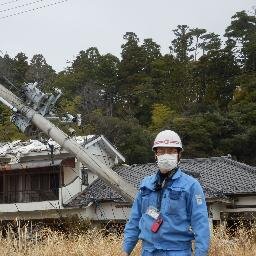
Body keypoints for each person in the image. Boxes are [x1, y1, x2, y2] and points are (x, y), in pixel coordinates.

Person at [122, 130, 210, 256]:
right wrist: (126, 250)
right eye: (161, 151)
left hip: (178, 251)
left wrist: (201, 253)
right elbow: (135, 220)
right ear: (155, 154)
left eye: (171, 151)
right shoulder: (146, 184)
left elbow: (200, 224)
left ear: (179, 154)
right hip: (148, 251)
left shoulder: (191, 185)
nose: (165, 155)